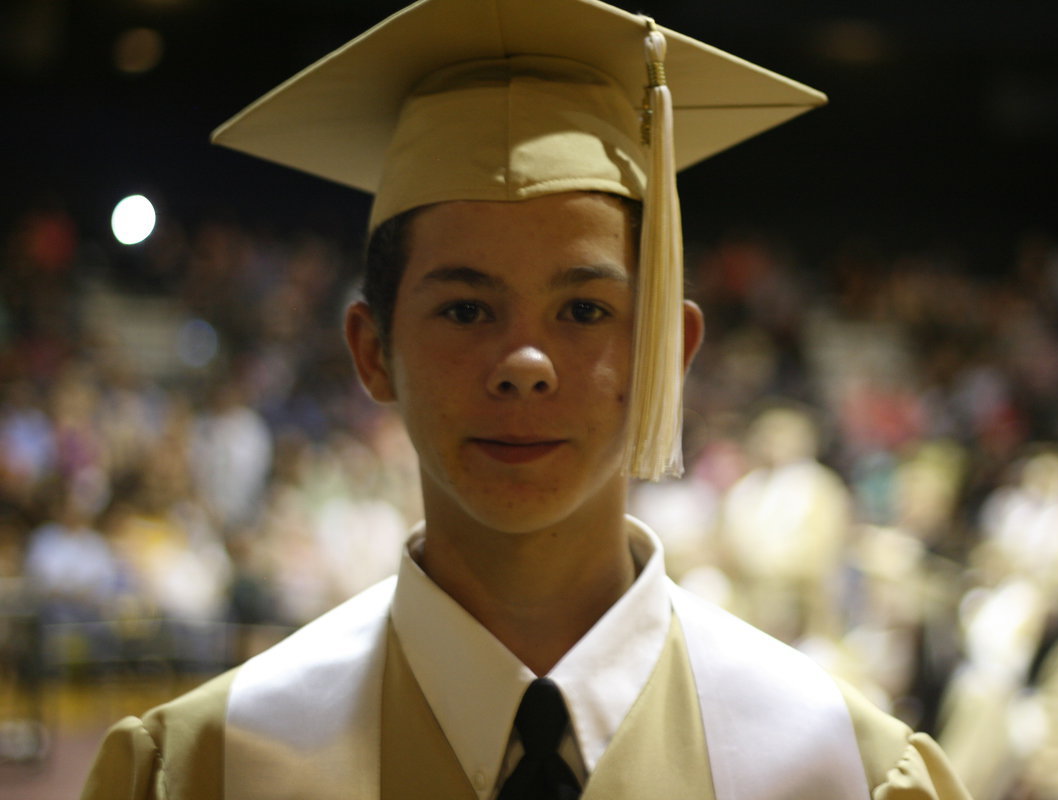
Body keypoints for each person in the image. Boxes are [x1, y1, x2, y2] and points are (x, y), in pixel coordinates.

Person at [82, 0, 972, 797]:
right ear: (372, 352)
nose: (525, 362)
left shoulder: (834, 770)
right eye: (465, 309)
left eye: (586, 309)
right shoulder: (216, 768)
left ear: (671, 349)